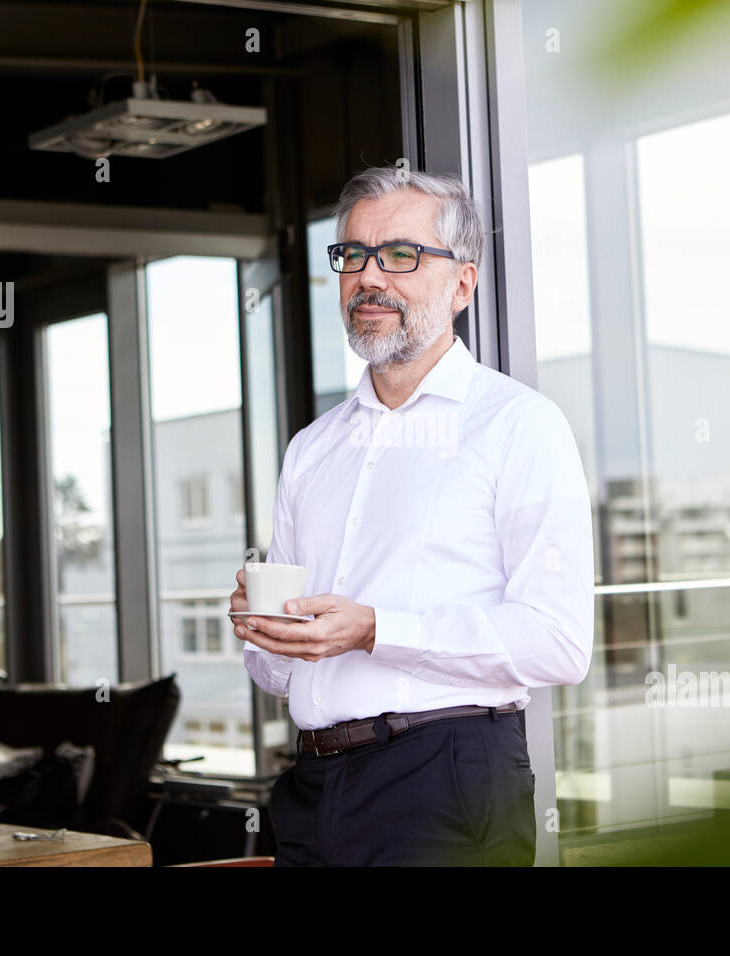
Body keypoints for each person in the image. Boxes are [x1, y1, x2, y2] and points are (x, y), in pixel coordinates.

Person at [233, 166, 593, 866]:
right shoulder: (311, 450)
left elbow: (558, 641)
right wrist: (267, 634)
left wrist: (375, 630)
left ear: (462, 284)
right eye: (353, 256)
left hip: (444, 780)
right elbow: (280, 675)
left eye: (401, 255)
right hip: (312, 788)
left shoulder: (519, 426)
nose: (370, 278)